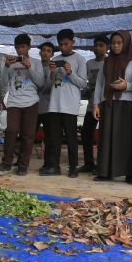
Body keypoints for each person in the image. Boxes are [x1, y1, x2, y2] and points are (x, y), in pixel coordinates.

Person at [92, 30, 132, 183]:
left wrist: (126, 86)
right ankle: (105, 172)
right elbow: (100, 84)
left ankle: (130, 174)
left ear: (126, 43)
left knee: (127, 139)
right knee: (106, 138)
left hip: (127, 104)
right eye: (113, 43)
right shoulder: (107, 61)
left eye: (119, 43)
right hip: (108, 103)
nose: (115, 46)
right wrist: (96, 104)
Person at [0, 33, 45, 175]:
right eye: (17, 47)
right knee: (11, 130)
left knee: (28, 135)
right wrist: (6, 66)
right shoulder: (11, 63)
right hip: (14, 102)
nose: (20, 50)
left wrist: (29, 67)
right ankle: (7, 162)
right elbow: (3, 82)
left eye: (23, 47)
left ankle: (23, 165)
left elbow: (41, 83)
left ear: (29, 47)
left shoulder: (36, 63)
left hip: (31, 102)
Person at [42, 29, 87, 177]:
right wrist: (52, 72)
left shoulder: (80, 60)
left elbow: (82, 84)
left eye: (66, 44)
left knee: (71, 139)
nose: (63, 47)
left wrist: (70, 72)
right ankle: (54, 166)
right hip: (54, 105)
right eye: (60, 44)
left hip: (70, 106)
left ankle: (73, 167)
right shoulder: (55, 59)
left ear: (73, 42)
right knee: (54, 139)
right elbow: (48, 86)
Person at [80, 34, 108, 173]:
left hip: (106, 104)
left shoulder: (110, 62)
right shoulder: (89, 63)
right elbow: (85, 82)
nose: (97, 48)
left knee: (104, 134)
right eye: (96, 45)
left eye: (101, 45)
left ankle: (103, 164)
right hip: (92, 104)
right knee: (86, 133)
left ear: (107, 47)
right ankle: (89, 163)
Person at [36, 42, 55, 172]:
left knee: (50, 137)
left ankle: (48, 164)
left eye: (48, 51)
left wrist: (52, 74)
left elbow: (51, 86)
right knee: (28, 135)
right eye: (43, 50)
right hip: (33, 107)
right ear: (40, 52)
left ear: (52, 54)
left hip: (49, 107)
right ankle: (21, 161)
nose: (45, 53)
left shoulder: (54, 68)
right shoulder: (34, 66)